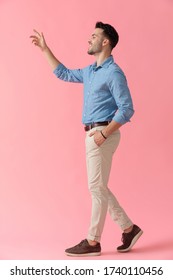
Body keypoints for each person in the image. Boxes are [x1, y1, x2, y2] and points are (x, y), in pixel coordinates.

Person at [30, 21, 143, 257]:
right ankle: (129, 229)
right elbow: (64, 73)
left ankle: (93, 241)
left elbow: (126, 109)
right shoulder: (91, 71)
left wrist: (104, 133)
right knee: (99, 187)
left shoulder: (114, 73)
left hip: (103, 133)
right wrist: (44, 49)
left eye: (93, 36)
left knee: (95, 187)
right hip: (92, 134)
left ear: (105, 42)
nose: (88, 39)